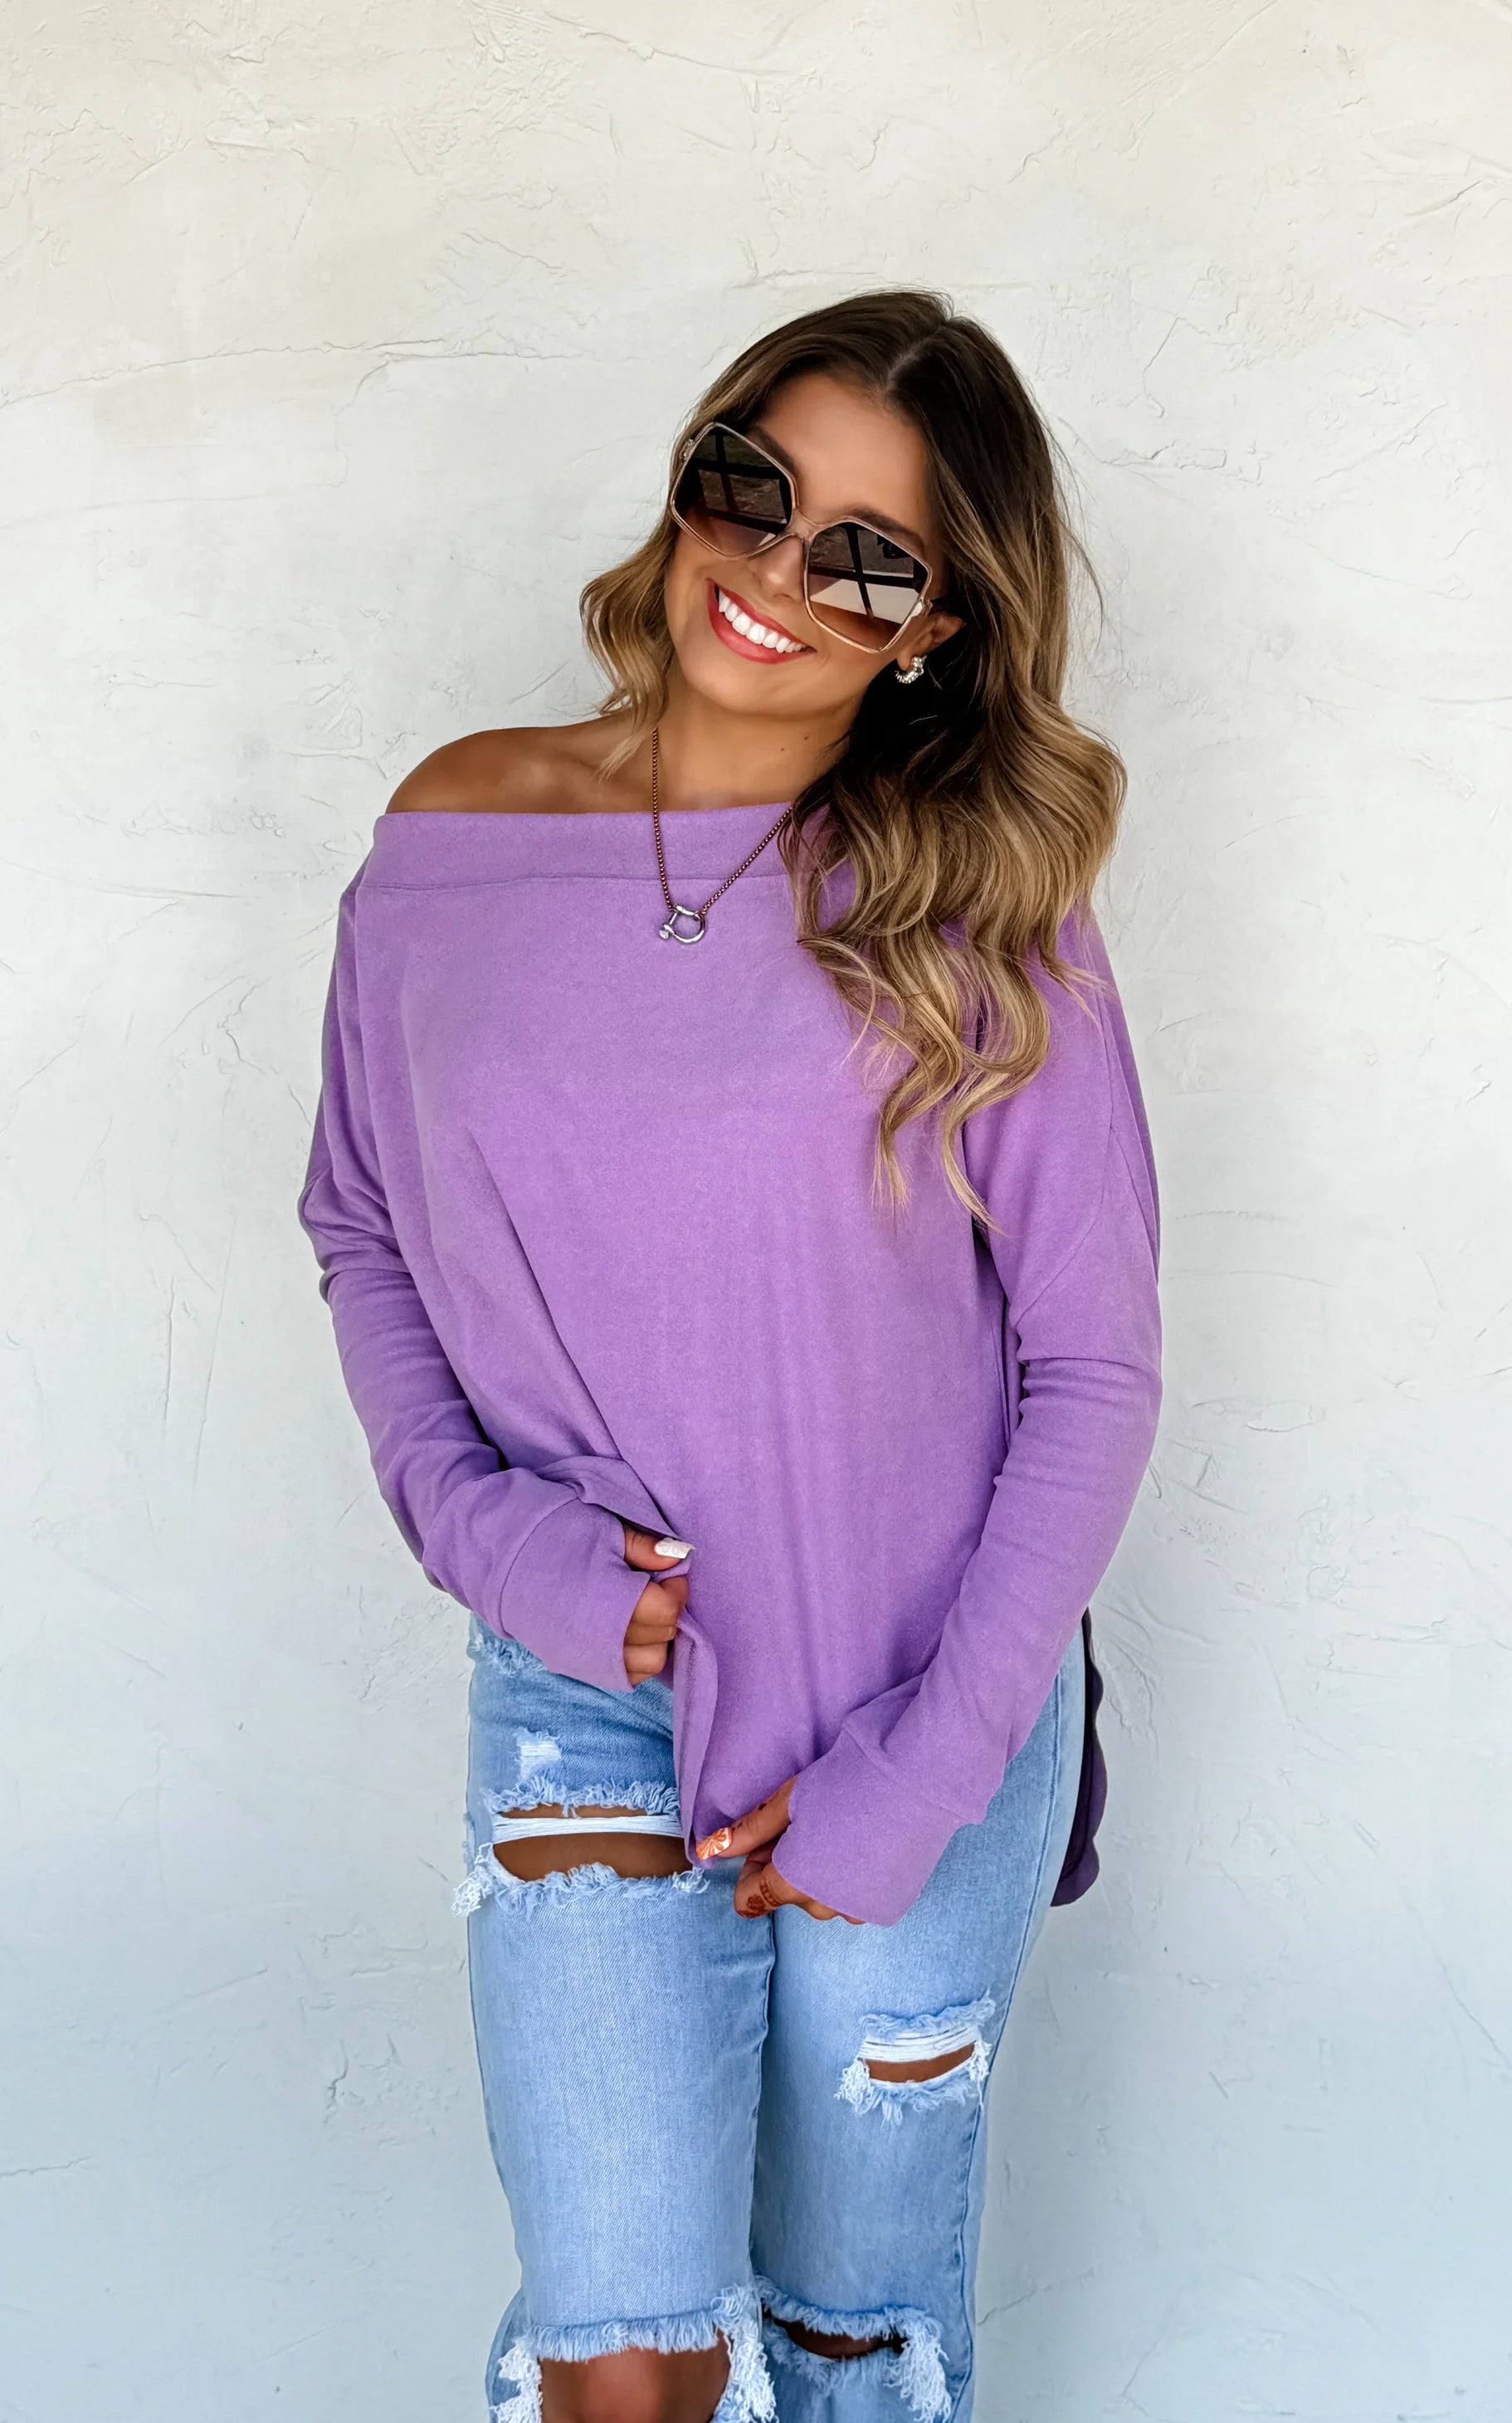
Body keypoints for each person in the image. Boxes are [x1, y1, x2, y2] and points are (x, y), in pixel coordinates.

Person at [296, 288, 1162, 2423]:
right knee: (621, 2362)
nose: (775, 570)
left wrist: (925, 1766)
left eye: (866, 556)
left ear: (935, 625)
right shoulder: (456, 833)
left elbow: (1093, 1368)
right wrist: (495, 1541)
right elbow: (361, 1221)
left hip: (924, 1689)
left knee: (859, 2344)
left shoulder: (980, 903)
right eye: (750, 488)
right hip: (585, 1690)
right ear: (692, 472)